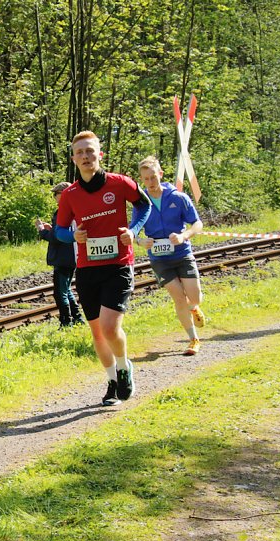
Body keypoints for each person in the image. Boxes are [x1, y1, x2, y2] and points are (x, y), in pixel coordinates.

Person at [54, 131, 151, 406]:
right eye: (80, 153)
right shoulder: (70, 195)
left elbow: (143, 206)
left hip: (118, 264)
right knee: (97, 333)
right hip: (87, 269)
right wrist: (73, 236)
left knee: (110, 327)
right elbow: (60, 231)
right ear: (74, 159)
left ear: (100, 154)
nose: (85, 156)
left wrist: (133, 230)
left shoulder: (119, 183)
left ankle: (123, 367)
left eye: (90, 151)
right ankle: (112, 382)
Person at [134, 155, 206, 355]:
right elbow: (133, 231)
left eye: (153, 177)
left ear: (160, 174)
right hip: (159, 259)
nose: (150, 182)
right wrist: (140, 241)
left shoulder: (178, 198)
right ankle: (193, 339)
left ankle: (194, 307)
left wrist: (184, 236)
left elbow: (197, 223)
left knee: (194, 297)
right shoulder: (141, 203)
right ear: (141, 180)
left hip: (182, 253)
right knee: (179, 298)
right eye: (146, 179)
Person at [36, 182, 84, 328]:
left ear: (63, 194)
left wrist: (42, 231)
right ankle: (77, 318)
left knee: (59, 293)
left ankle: (66, 322)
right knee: (66, 289)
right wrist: (51, 229)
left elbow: (57, 237)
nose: (54, 197)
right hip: (72, 256)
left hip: (63, 257)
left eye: (55, 194)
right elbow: (63, 232)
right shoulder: (76, 209)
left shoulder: (63, 211)